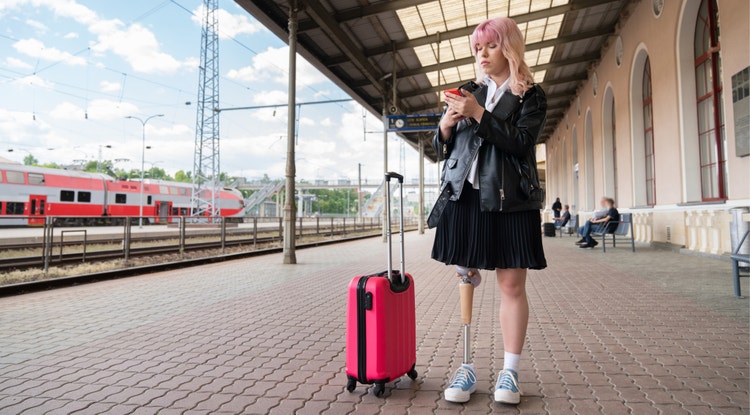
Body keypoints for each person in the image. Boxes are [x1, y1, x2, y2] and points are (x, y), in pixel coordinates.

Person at [430, 16, 547, 405]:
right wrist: (446, 125)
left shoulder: (531, 95)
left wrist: (478, 113)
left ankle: (509, 373)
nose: (482, 54)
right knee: (465, 278)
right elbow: (441, 147)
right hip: (465, 198)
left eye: (490, 46)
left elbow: (521, 144)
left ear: (509, 47)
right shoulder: (466, 91)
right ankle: (466, 366)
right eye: (477, 48)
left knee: (511, 287)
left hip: (511, 201)